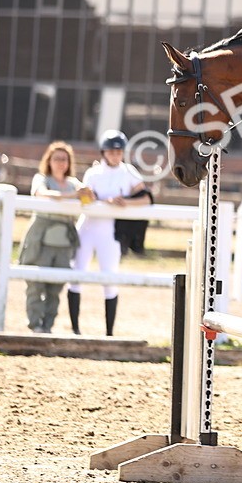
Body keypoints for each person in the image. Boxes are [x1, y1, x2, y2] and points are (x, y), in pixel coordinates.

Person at [68, 130, 150, 336]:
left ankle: (109, 332)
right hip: (87, 228)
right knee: (76, 274)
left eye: (119, 151)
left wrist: (126, 202)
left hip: (110, 232)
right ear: (104, 152)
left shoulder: (129, 172)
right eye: (111, 151)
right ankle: (75, 328)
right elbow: (87, 198)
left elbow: (147, 198)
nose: (115, 155)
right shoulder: (93, 173)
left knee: (110, 278)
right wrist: (103, 201)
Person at [19, 141, 84, 333]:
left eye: (64, 159)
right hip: (41, 237)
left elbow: (88, 196)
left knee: (56, 286)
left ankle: (48, 325)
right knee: (35, 283)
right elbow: (41, 194)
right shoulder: (42, 179)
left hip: (63, 240)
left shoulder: (73, 183)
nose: (60, 163)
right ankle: (35, 323)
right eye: (56, 158)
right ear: (49, 160)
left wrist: (83, 194)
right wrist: (71, 196)